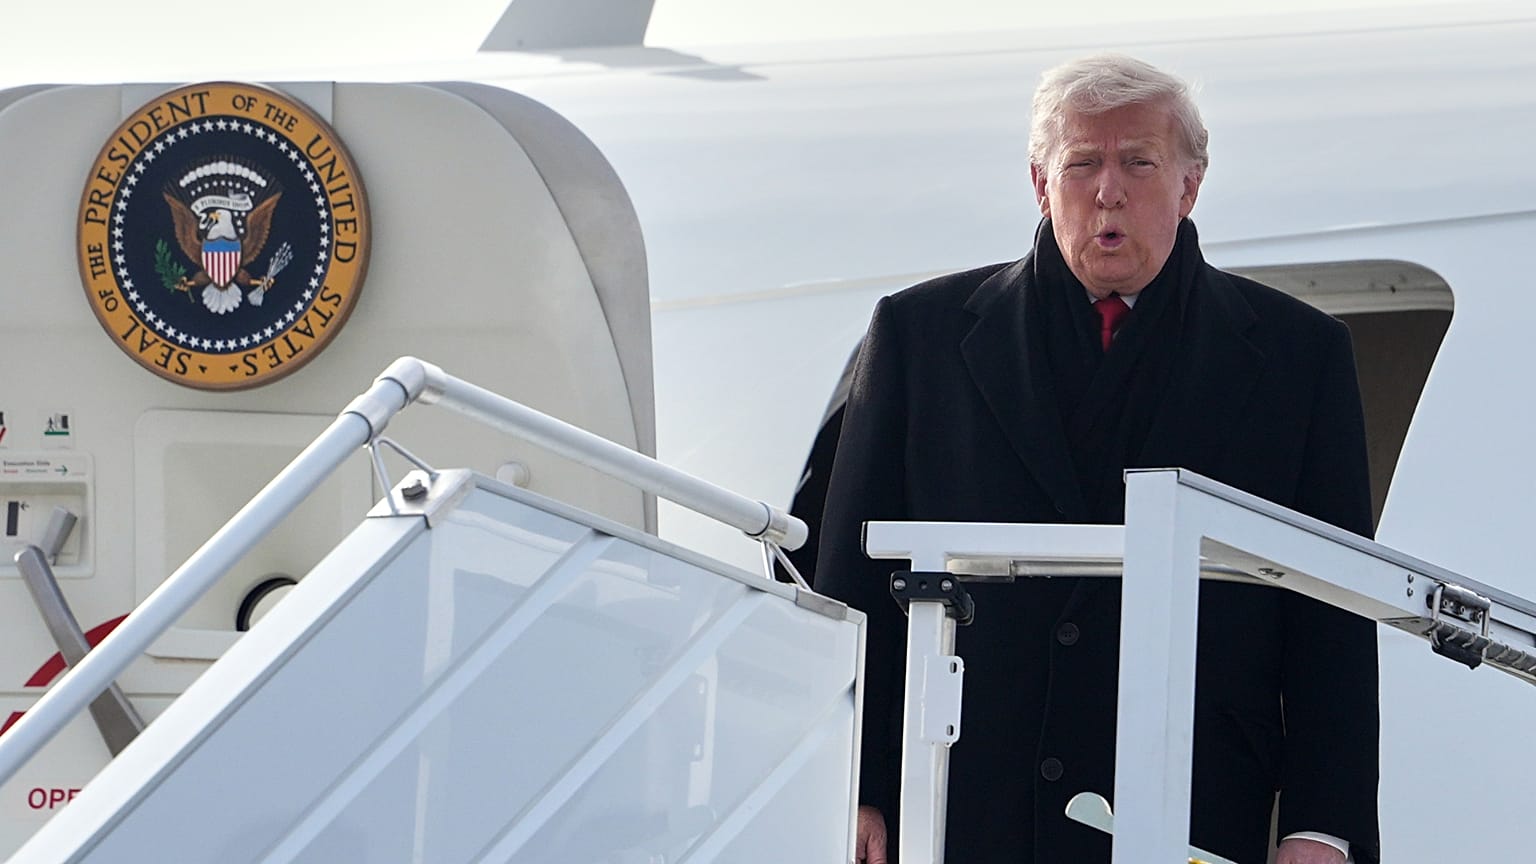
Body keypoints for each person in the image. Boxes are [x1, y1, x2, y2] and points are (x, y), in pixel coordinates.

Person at [814, 54, 1380, 864]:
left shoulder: (1300, 356)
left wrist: (1323, 825)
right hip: (963, 800)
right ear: (1041, 184)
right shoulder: (919, 337)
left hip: (1192, 801)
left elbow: (1333, 615)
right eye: (1082, 163)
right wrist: (852, 783)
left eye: (1138, 162)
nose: (1108, 191)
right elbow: (850, 586)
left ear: (1190, 185)